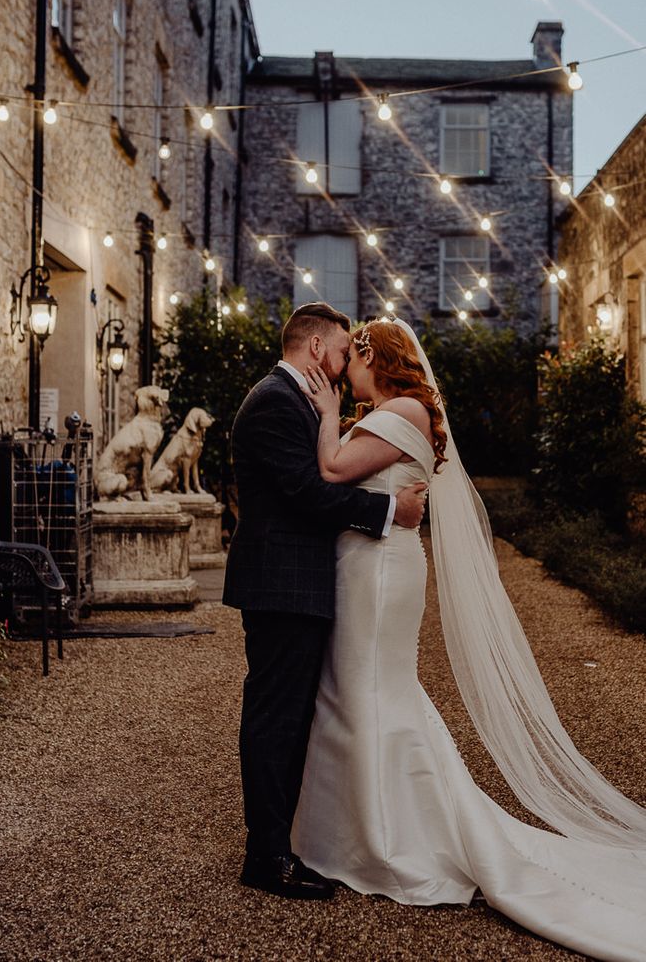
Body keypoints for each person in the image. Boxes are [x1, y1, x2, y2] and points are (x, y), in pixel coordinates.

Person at [292, 316, 646, 961]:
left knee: (369, 691)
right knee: (366, 693)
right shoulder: (402, 411)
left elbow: (333, 469)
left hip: (377, 574)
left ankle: (390, 836)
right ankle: (366, 824)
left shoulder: (398, 409)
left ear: (379, 360)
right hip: (374, 566)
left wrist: (325, 410)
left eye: (352, 359)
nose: (344, 371)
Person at [222, 302, 427, 900]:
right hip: (281, 586)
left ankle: (285, 843)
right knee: (275, 718)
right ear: (316, 349)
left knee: (293, 718)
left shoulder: (296, 401)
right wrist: (392, 510)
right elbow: (309, 493)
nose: (344, 365)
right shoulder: (273, 404)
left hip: (298, 583)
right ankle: (267, 858)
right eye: (341, 351)